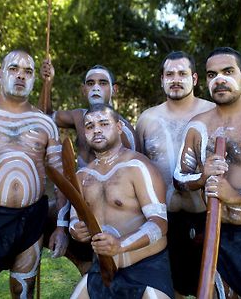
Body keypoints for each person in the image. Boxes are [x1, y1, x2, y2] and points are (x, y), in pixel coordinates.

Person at [174, 46, 241, 298]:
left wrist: (237, 196)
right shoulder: (197, 127)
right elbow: (179, 178)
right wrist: (202, 177)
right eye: (211, 74)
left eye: (227, 71)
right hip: (219, 236)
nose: (219, 79)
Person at [0, 50, 69, 298]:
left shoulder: (46, 123)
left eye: (28, 72)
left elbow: (61, 181)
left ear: (35, 78)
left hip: (31, 218)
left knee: (22, 289)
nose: (20, 76)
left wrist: (61, 226)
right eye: (14, 69)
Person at [69, 103, 174, 298]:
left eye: (103, 123)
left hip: (146, 269)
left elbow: (159, 225)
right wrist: (76, 229)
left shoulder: (138, 166)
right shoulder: (82, 176)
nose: (97, 129)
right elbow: (75, 218)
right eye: (90, 126)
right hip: (103, 269)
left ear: (118, 127)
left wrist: (121, 245)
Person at [136, 51, 214, 297]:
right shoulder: (147, 119)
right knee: (171, 288)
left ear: (195, 78)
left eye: (182, 74)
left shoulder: (213, 113)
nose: (175, 79)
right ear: (161, 79)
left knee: (210, 287)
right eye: (169, 74)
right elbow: (139, 167)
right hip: (164, 220)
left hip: (207, 216)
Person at [39, 62, 139, 169]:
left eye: (102, 83)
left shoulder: (124, 130)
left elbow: (136, 168)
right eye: (90, 83)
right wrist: (47, 82)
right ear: (83, 90)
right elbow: (44, 116)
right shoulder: (78, 117)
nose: (96, 88)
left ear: (114, 90)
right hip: (81, 184)